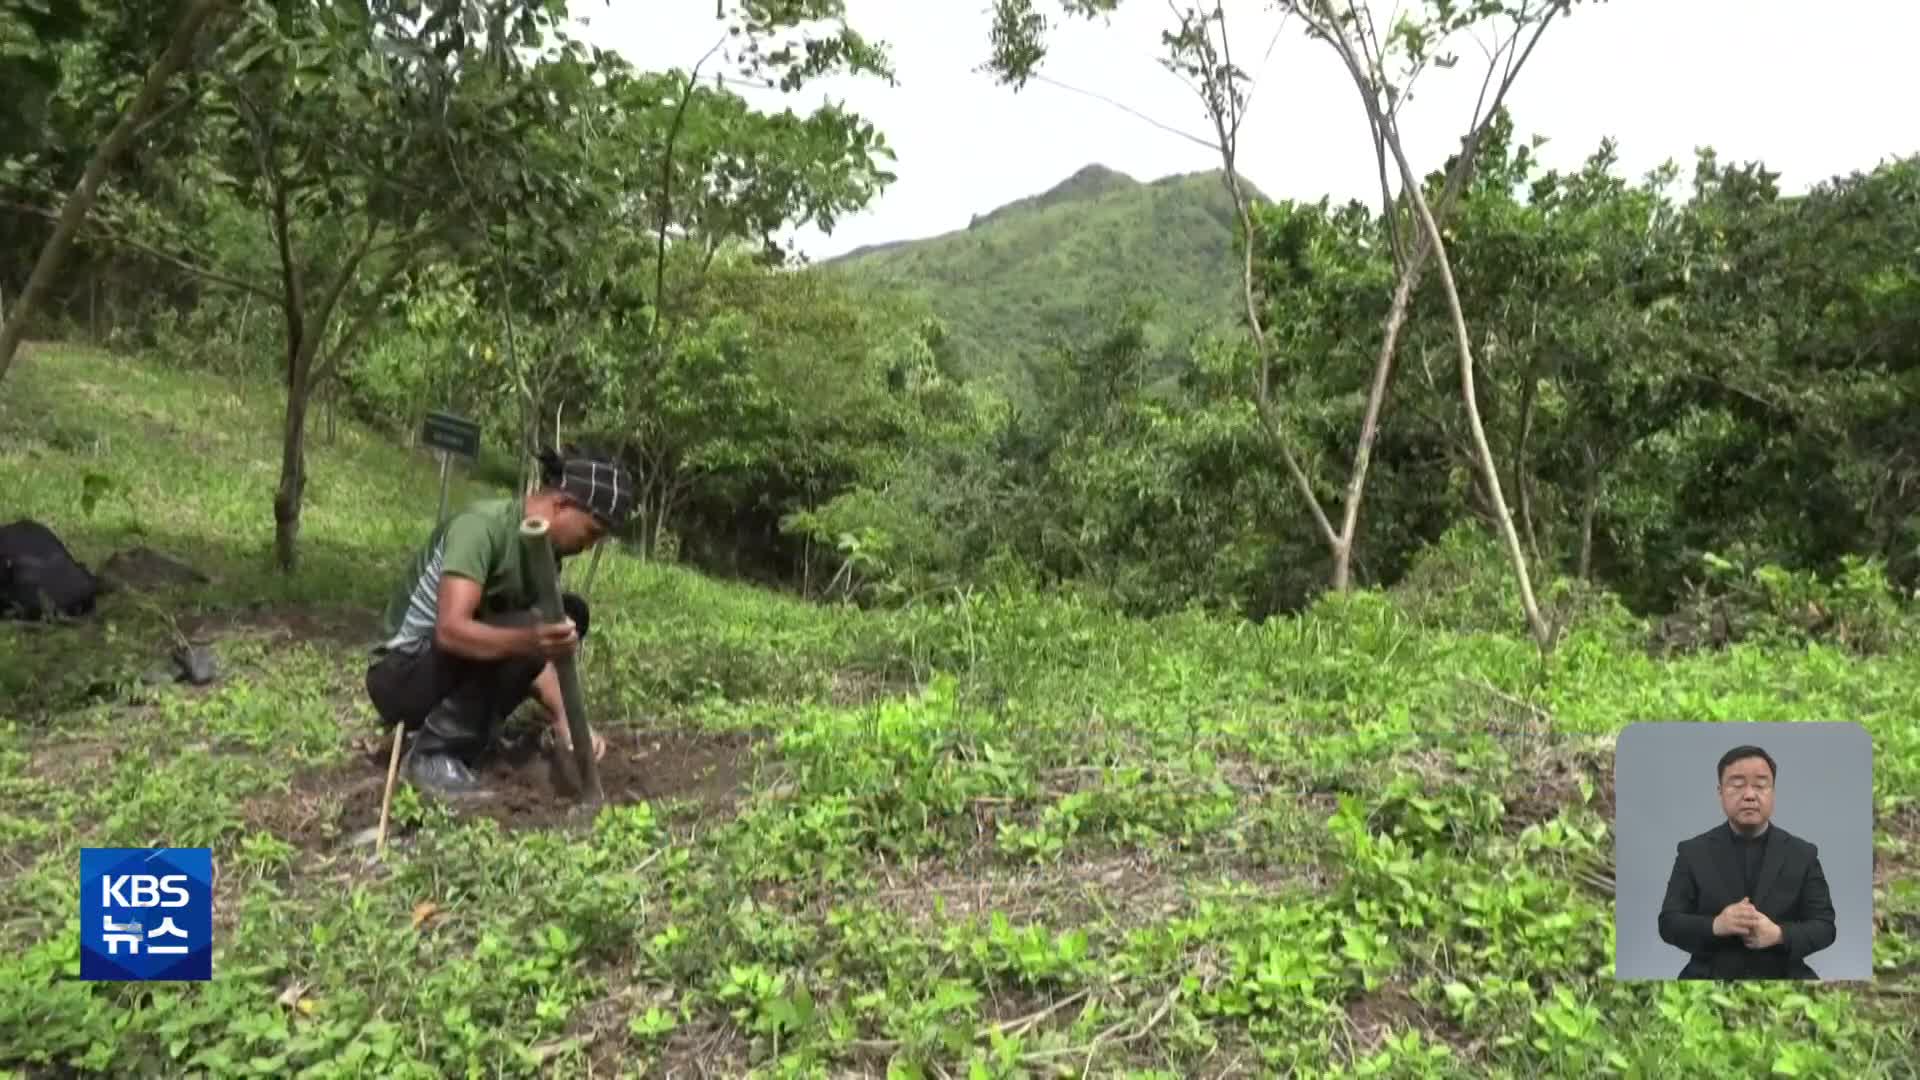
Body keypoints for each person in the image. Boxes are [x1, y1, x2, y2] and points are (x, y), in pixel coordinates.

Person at [365, 448, 633, 796]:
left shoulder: (544, 556)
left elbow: (531, 655)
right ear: (564, 504)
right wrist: (533, 639)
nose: (589, 545)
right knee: (538, 626)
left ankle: (464, 735)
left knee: (568, 614)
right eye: (593, 531)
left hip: (444, 670)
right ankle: (431, 756)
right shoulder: (482, 529)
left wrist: (565, 716)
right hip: (400, 674)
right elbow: (451, 631)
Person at [1655, 745, 1837, 979]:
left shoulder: (1803, 854)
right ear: (1720, 792)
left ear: (1773, 792)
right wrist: (1716, 925)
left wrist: (1779, 934)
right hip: (1709, 977)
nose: (1749, 795)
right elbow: (1668, 923)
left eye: (1760, 785)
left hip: (1784, 974)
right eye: (1737, 785)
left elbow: (1825, 927)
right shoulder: (1692, 852)